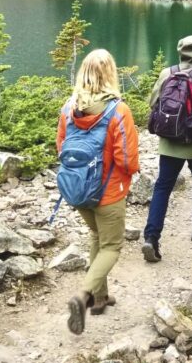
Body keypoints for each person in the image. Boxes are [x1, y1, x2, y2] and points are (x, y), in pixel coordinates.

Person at [56, 49, 139, 335]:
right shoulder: (118, 111)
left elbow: (61, 148)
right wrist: (127, 175)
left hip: (76, 189)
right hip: (108, 192)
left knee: (96, 236)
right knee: (112, 246)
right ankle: (85, 295)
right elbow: (127, 160)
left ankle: (100, 298)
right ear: (110, 74)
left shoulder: (69, 107)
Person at [142, 35, 192, 263]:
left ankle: (151, 237)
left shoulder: (168, 73)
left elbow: (152, 101)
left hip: (168, 142)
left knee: (162, 188)